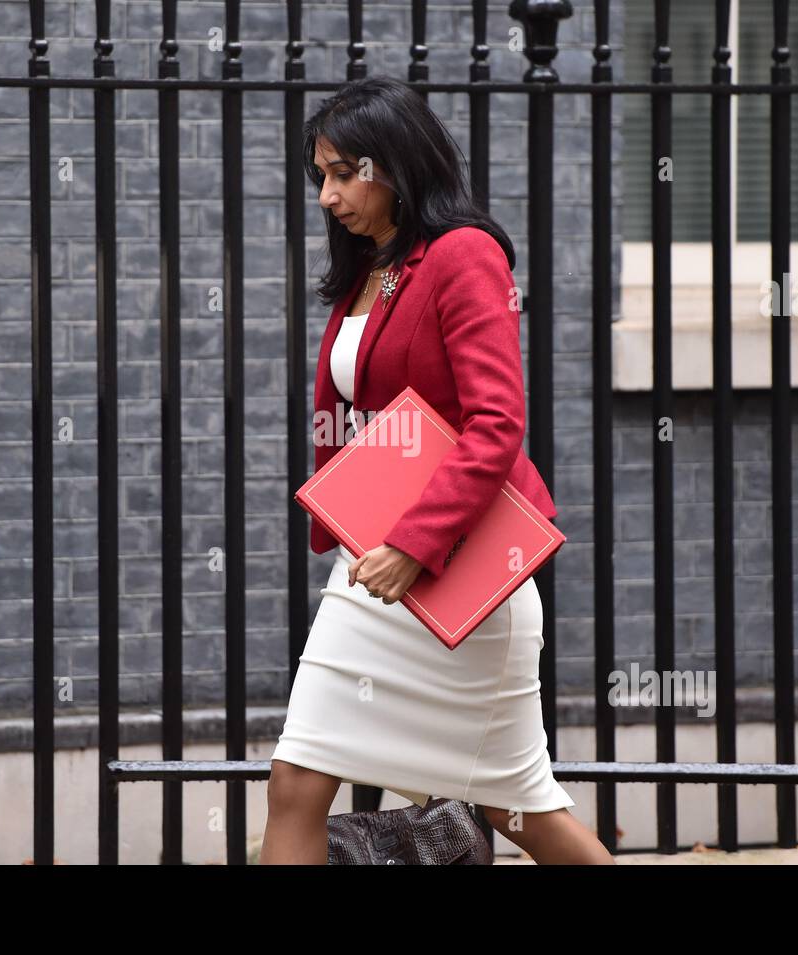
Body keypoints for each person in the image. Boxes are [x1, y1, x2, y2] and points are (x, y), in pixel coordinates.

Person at [260, 77, 614, 865]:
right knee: (294, 781)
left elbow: (497, 424)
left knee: (519, 809)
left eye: (345, 172)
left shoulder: (463, 256)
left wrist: (415, 541)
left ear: (395, 163)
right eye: (321, 175)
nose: (328, 195)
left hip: (458, 576)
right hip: (371, 575)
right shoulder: (371, 269)